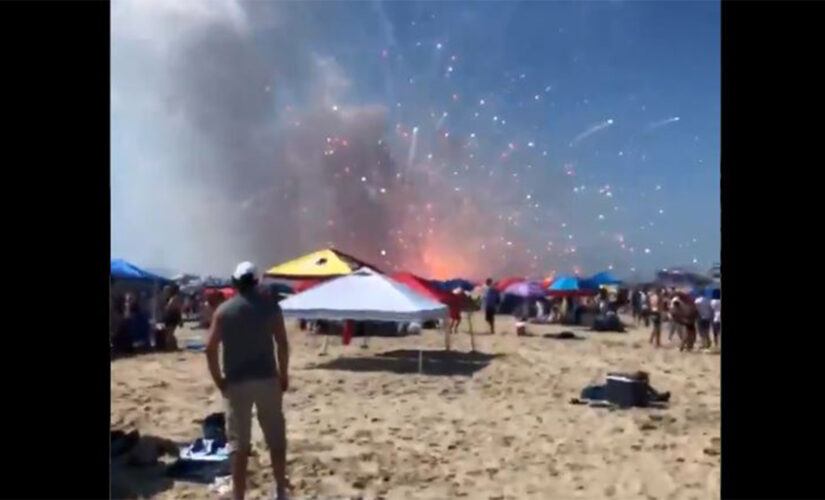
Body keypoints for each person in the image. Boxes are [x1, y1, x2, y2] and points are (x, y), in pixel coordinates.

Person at [206, 262, 290, 500]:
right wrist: (283, 375)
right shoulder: (270, 307)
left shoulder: (223, 311)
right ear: (256, 282)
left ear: (234, 283)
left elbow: (210, 349)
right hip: (267, 379)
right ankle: (280, 491)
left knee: (238, 445)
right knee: (275, 437)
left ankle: (239, 496)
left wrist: (219, 380)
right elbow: (282, 343)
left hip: (237, 383)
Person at [160, 284, 183, 351]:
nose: (165, 292)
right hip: (169, 318)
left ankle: (171, 348)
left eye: (167, 291)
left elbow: (175, 308)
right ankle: (174, 347)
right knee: (169, 333)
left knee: (169, 333)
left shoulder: (174, 298)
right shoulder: (168, 298)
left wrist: (180, 319)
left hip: (173, 318)